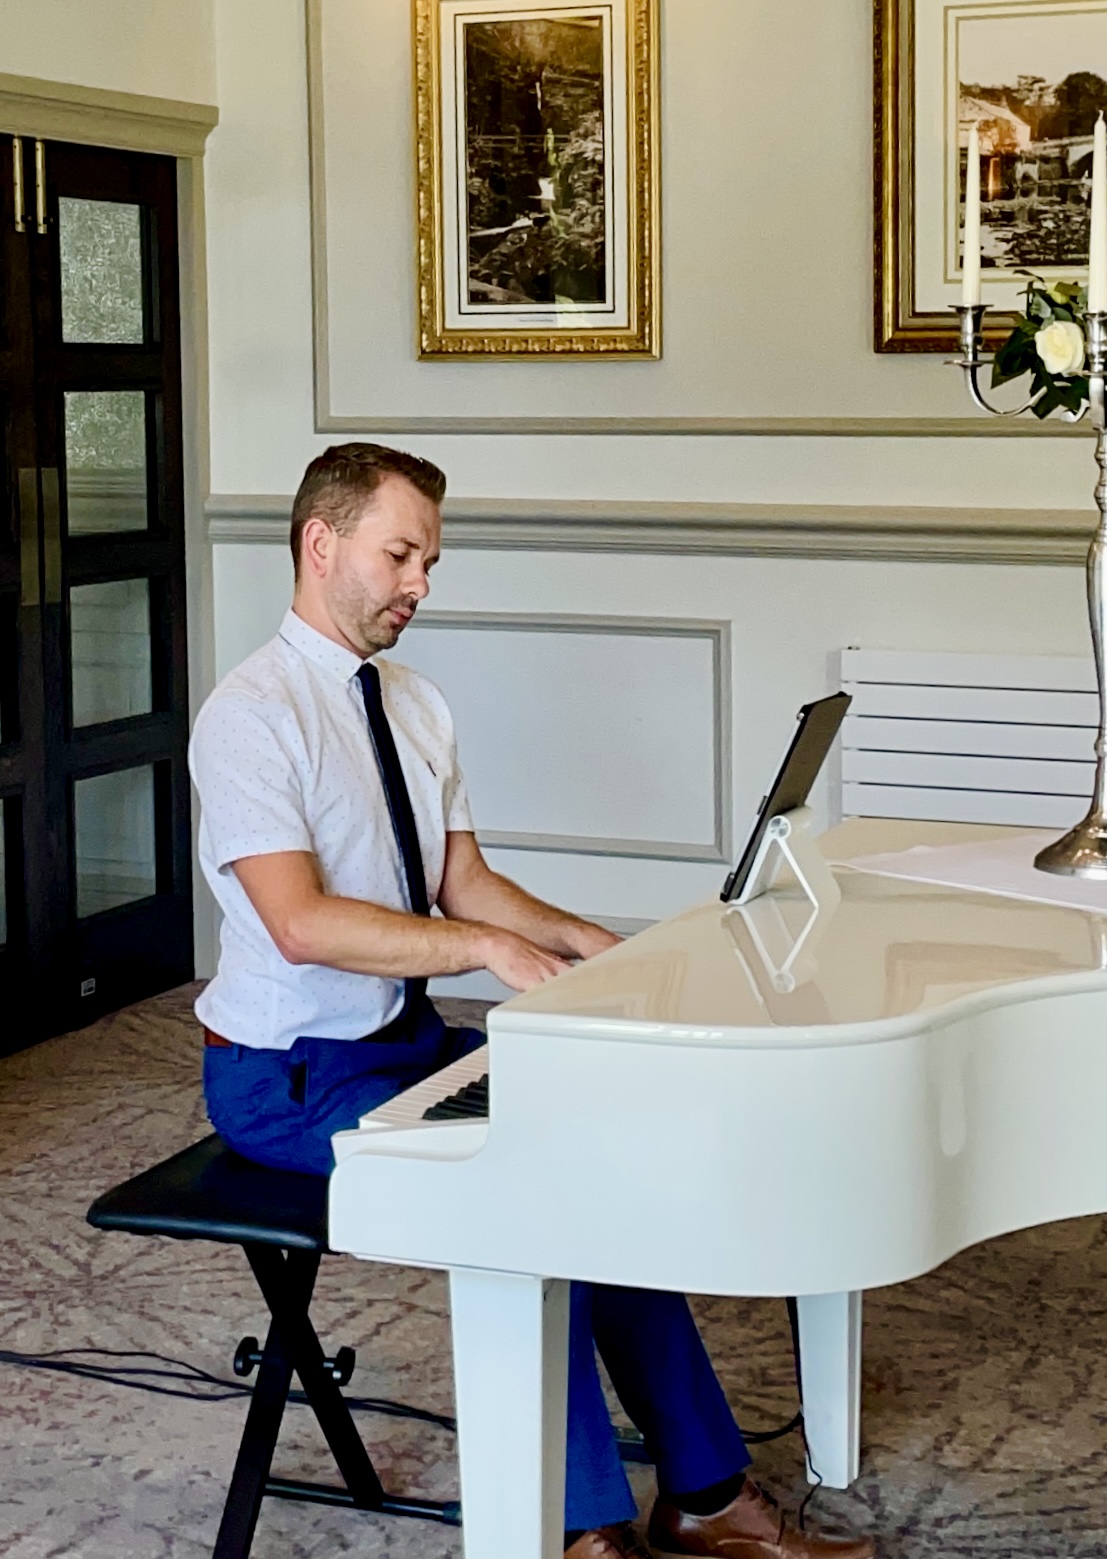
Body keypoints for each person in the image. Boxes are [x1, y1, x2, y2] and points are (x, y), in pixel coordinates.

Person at [189, 443, 874, 1559]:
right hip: (284, 1077)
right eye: (399, 553)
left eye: (430, 560)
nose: (419, 582)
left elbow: (463, 879)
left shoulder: (415, 703)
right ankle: (578, 1529)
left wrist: (592, 942)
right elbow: (299, 920)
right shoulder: (249, 715)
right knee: (529, 1188)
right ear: (322, 544)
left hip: (401, 1041)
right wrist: (489, 952)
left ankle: (702, 1494)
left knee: (593, 1149)